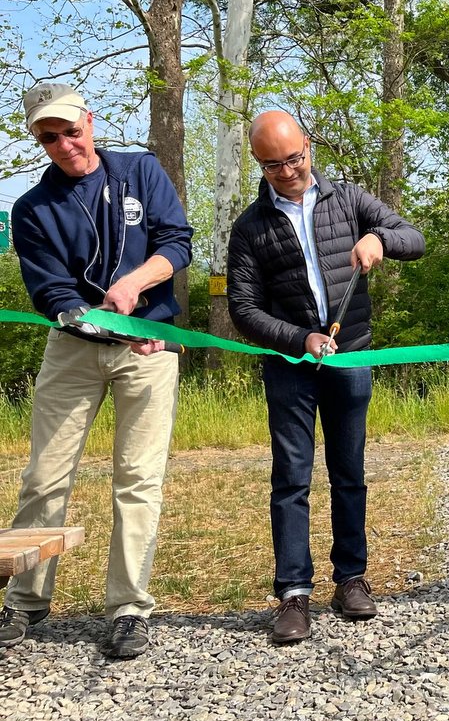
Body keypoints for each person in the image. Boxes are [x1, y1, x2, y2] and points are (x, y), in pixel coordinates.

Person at [0, 82, 192, 658]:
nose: (64, 144)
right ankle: (24, 601)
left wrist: (136, 288)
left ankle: (129, 608)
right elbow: (49, 287)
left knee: (138, 479)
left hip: (148, 350)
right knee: (44, 476)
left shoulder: (141, 171)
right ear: (40, 141)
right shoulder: (31, 208)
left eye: (71, 130)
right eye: (49, 137)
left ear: (91, 119)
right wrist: (83, 316)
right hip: (73, 350)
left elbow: (176, 243)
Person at [227, 111, 425, 644]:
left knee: (348, 473)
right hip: (291, 366)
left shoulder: (349, 199)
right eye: (274, 165)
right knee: (291, 478)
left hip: (351, 356)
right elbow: (243, 310)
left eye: (295, 158)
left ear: (309, 147)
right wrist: (300, 340)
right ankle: (293, 594)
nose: (288, 171)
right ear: (259, 165)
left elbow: (416, 237)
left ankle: (351, 579)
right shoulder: (250, 226)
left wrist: (380, 238)